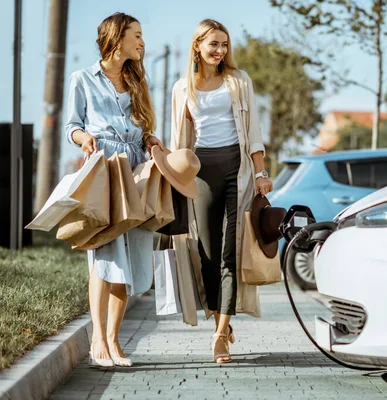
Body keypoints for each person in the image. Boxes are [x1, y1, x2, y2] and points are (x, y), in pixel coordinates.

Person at [170, 19, 273, 364]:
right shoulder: (182, 87)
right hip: (201, 171)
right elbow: (178, 141)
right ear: (197, 45)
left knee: (229, 252)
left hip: (237, 169)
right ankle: (220, 321)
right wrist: (170, 177)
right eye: (213, 44)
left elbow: (254, 129)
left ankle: (219, 336)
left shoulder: (238, 81)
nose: (220, 51)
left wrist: (260, 172)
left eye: (224, 44)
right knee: (208, 254)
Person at [65, 12, 164, 368]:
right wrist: (85, 138)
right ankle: (98, 344)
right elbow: (72, 126)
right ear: (116, 37)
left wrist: (151, 138)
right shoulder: (83, 79)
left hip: (135, 169)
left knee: (133, 258)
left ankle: (114, 341)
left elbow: (144, 125)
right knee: (105, 257)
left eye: (142, 35)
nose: (142, 42)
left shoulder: (137, 81)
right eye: (136, 35)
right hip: (106, 168)